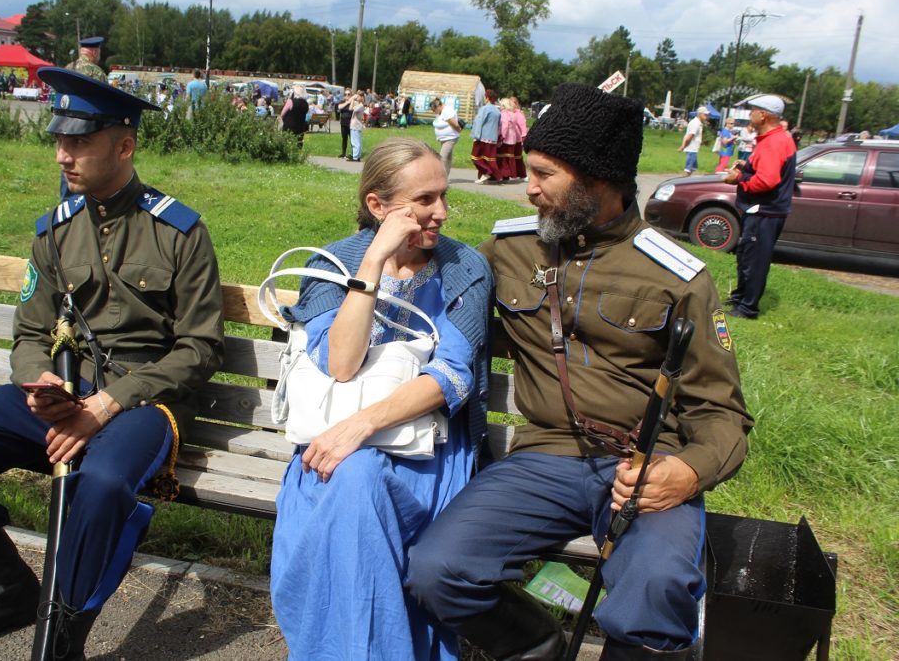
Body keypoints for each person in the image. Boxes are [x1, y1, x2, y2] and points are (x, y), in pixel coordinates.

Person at [0, 67, 225, 661]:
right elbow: (29, 330)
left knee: (103, 483)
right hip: (66, 394)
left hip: (147, 402)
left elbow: (199, 348)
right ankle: (7, 589)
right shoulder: (55, 230)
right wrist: (37, 380)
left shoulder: (180, 232)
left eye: (80, 142)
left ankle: (62, 627)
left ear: (124, 145)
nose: (63, 155)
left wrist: (107, 404)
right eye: (59, 140)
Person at [406, 83, 752, 660]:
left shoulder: (678, 276)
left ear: (598, 178)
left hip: (643, 469)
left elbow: (720, 410)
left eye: (544, 174)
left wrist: (687, 473)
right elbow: (414, 277)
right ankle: (538, 647)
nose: (528, 188)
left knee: (658, 588)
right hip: (544, 458)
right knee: (438, 568)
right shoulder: (509, 251)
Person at [270, 137, 493, 661]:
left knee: (357, 476)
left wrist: (361, 425)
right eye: (424, 200)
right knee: (353, 478)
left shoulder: (466, 268)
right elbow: (339, 364)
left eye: (443, 196)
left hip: (427, 451)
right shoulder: (332, 262)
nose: (441, 212)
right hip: (337, 445)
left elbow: (452, 377)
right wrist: (372, 262)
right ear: (378, 206)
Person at [723, 94, 796, 320]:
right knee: (746, 255)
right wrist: (747, 167)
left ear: (763, 115)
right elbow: (765, 171)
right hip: (762, 210)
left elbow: (768, 180)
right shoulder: (773, 139)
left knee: (754, 261)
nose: (750, 114)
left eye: (753, 110)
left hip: (764, 211)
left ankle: (747, 308)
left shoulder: (774, 142)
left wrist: (738, 179)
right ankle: (740, 297)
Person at [471, 90, 502, 184]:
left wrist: (476, 135)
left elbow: (479, 122)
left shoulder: (485, 109)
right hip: (492, 138)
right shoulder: (497, 110)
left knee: (475, 157)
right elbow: (499, 125)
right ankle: (485, 177)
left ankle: (488, 172)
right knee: (488, 159)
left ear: (487, 97)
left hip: (483, 137)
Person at [497, 97, 528, 181]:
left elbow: (522, 126)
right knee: (510, 157)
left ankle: (513, 174)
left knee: (511, 157)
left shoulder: (513, 113)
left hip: (512, 138)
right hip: (513, 138)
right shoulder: (512, 113)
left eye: (514, 102)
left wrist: (523, 137)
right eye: (511, 103)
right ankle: (510, 174)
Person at [430, 97, 462, 177]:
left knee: (442, 157)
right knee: (447, 157)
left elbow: (455, 124)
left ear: (438, 106)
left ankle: (440, 177)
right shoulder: (443, 111)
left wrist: (458, 130)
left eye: (434, 110)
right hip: (445, 138)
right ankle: (445, 176)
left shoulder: (447, 111)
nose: (434, 112)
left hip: (450, 138)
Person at [678, 105, 709, 176]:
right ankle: (684, 179)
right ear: (700, 114)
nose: (706, 116)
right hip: (692, 148)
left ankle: (687, 178)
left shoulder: (698, 123)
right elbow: (690, 136)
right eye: (705, 114)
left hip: (694, 148)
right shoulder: (696, 123)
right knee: (688, 168)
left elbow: (687, 135)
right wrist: (684, 146)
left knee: (693, 167)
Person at [347, 92, 367, 162]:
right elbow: (350, 108)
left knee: (355, 142)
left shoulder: (361, 105)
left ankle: (355, 157)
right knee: (357, 141)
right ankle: (356, 156)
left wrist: (353, 99)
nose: (356, 97)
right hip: (355, 125)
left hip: (355, 125)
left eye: (358, 96)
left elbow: (353, 109)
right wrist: (353, 99)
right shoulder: (359, 104)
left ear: (361, 97)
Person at [337, 91, 354, 158]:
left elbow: (351, 109)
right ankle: (343, 153)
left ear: (351, 95)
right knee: (344, 138)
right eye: (345, 94)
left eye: (348, 94)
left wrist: (351, 100)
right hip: (343, 123)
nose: (347, 95)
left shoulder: (353, 102)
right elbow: (339, 107)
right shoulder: (342, 101)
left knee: (352, 139)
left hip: (350, 123)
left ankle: (353, 154)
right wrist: (347, 102)